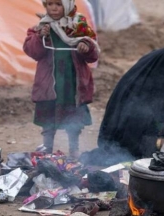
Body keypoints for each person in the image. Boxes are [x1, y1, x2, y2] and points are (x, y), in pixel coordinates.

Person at [23, 0, 99, 159]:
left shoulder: (79, 27)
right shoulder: (41, 27)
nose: (53, 8)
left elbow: (92, 55)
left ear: (68, 5)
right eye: (49, 4)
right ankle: (47, 148)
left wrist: (86, 46)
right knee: (48, 117)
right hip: (50, 83)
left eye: (58, 4)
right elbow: (33, 52)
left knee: (74, 118)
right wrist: (39, 37)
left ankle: (74, 149)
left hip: (73, 82)